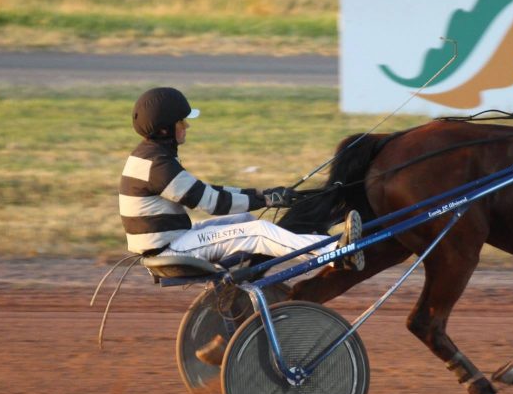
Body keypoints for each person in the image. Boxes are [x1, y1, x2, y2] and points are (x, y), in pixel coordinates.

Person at [119, 86, 364, 269]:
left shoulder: (150, 156)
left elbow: (207, 190)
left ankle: (238, 285)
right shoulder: (158, 165)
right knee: (258, 231)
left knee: (243, 219)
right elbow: (213, 203)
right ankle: (335, 253)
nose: (187, 126)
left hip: (171, 242)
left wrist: (262, 194)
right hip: (169, 250)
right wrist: (267, 201)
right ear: (164, 129)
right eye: (181, 121)